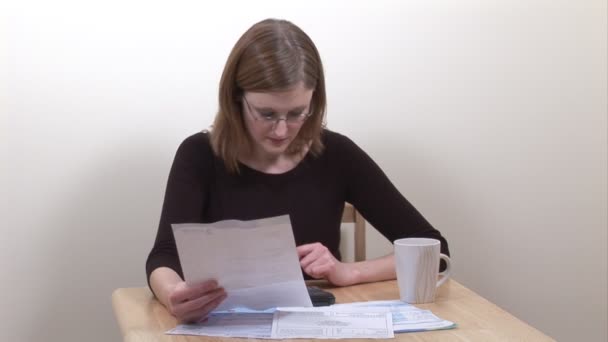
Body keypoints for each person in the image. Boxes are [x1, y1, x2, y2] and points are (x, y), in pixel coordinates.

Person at [146, 18, 450, 323]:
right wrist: (174, 295)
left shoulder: (337, 153)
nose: (281, 130)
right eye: (266, 114)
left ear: (314, 101)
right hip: (225, 325)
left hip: (314, 326)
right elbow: (164, 255)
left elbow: (432, 251)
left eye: (296, 113)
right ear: (236, 98)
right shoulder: (198, 155)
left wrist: (350, 271)